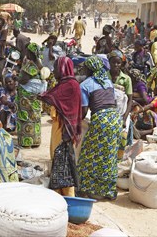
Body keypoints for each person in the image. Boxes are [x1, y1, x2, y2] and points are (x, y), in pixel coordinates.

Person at [78, 56, 120, 200]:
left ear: (90, 69)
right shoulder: (108, 82)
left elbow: (83, 112)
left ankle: (84, 189)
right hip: (115, 119)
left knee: (88, 155)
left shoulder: (85, 85)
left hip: (101, 119)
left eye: (85, 68)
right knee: (109, 155)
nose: (83, 70)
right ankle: (108, 191)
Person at [40, 57, 82, 197]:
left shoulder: (69, 85)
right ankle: (60, 196)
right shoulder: (65, 84)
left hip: (64, 131)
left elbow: (66, 107)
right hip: (60, 128)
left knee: (64, 167)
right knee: (60, 165)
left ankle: (65, 198)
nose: (54, 71)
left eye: (57, 68)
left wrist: (41, 96)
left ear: (63, 69)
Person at [15, 63, 47, 148]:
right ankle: (35, 141)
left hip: (26, 99)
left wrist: (16, 78)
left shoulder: (30, 66)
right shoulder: (40, 66)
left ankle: (26, 142)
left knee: (26, 117)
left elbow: (23, 80)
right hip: (36, 98)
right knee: (35, 117)